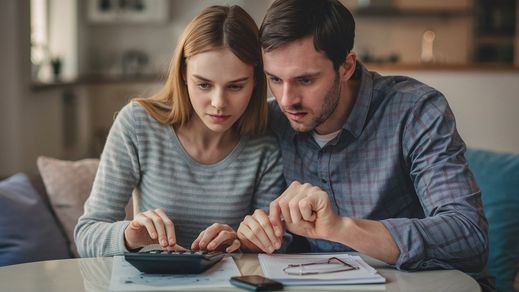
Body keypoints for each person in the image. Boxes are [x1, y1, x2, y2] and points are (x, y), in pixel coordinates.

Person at [237, 0, 488, 273]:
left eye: (306, 80)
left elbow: (468, 236)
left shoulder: (415, 111)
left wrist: (343, 229)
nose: (287, 100)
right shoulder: (272, 120)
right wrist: (255, 235)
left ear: (346, 66)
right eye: (274, 79)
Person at [74, 5, 285, 257]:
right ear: (184, 74)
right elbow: (86, 236)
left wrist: (243, 241)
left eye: (235, 86)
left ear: (256, 81)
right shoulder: (138, 124)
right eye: (204, 84)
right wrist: (130, 236)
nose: (218, 102)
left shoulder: (266, 139)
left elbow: (275, 244)